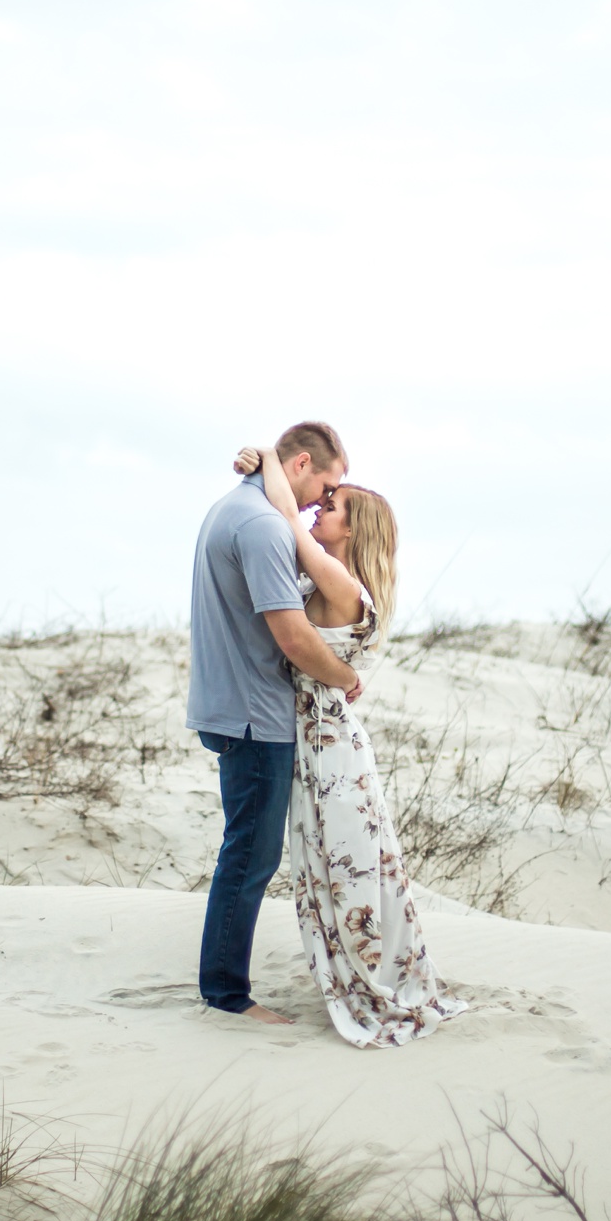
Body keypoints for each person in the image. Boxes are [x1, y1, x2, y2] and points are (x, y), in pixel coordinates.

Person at [229, 445, 471, 1048]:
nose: (318, 507)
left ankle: (369, 978)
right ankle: (363, 969)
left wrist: (266, 461)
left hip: (331, 750)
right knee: (330, 867)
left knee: (348, 869)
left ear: (353, 527)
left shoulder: (337, 579)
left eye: (331, 504)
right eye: (322, 497)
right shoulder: (325, 575)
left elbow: (284, 519)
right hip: (319, 744)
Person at [186, 421, 363, 1025]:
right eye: (328, 483)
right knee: (250, 859)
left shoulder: (232, 508)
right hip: (255, 717)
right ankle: (227, 996)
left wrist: (260, 455)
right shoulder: (264, 528)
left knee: (245, 852)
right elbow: (291, 635)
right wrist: (344, 677)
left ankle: (224, 987)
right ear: (301, 464)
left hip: (229, 705)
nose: (325, 498)